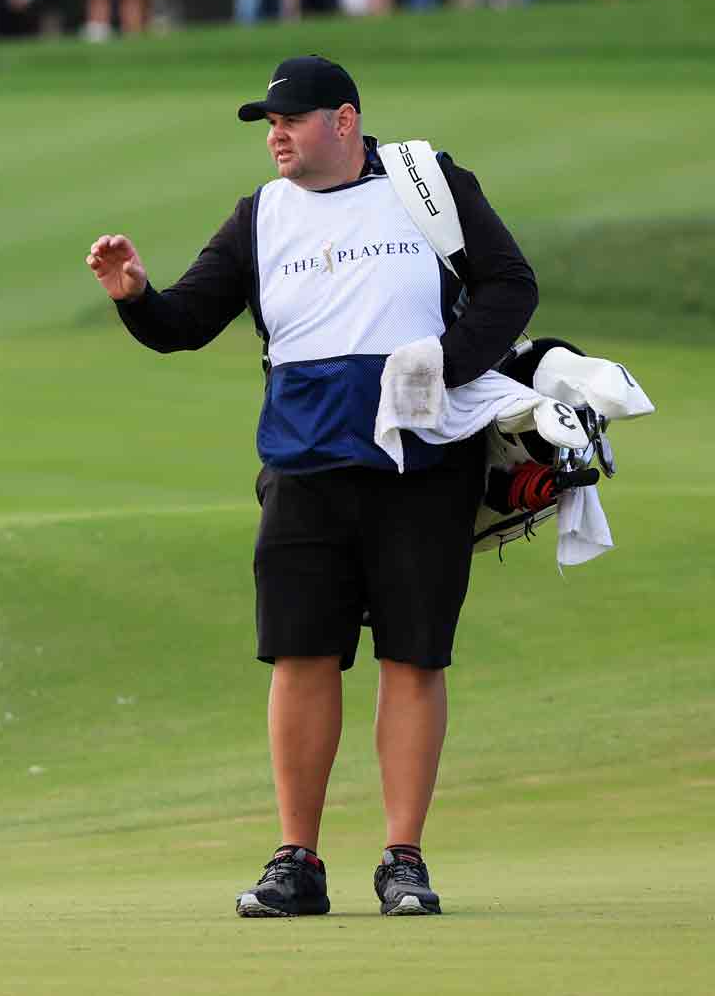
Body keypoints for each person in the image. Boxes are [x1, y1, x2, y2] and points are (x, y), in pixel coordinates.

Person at [85, 56, 538, 918]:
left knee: (413, 655)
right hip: (301, 465)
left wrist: (442, 365)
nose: (275, 135)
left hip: (423, 464)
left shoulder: (427, 182)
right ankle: (298, 861)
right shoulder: (260, 216)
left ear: (344, 121)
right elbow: (184, 324)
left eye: (290, 120)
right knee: (300, 655)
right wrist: (137, 296)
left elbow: (511, 286)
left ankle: (402, 859)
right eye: (267, 123)